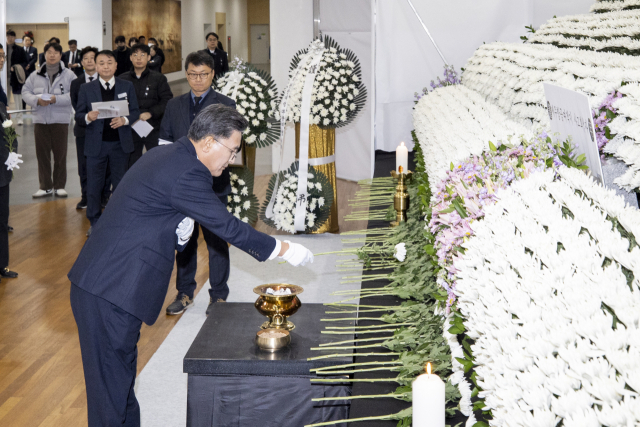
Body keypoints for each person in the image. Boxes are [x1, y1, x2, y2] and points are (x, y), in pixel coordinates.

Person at [69, 103, 313, 427]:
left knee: (120, 382)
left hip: (110, 284)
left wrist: (178, 231)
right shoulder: (188, 170)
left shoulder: (170, 155)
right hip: (110, 289)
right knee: (109, 396)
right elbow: (225, 226)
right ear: (210, 142)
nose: (231, 161)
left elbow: (149, 217)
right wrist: (281, 248)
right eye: (232, 151)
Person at [159, 52, 234, 316]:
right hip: (182, 186)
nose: (197, 80)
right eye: (192, 74)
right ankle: (185, 292)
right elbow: (165, 143)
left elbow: (229, 145)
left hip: (214, 185)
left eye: (203, 74)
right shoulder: (174, 105)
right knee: (185, 241)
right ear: (186, 73)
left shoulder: (226, 105)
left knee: (216, 241)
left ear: (212, 74)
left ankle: (219, 296)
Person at [75, 50, 140, 237]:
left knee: (120, 185)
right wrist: (87, 116)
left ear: (116, 65)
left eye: (109, 63)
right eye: (101, 63)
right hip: (96, 145)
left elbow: (134, 111)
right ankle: (94, 221)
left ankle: (119, 220)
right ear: (95, 66)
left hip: (120, 145)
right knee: (94, 185)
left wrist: (125, 121)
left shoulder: (126, 86)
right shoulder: (87, 89)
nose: (105, 66)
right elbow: (78, 115)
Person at [22, 42, 76, 198]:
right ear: (44, 55)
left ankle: (59, 186)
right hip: (41, 120)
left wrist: (55, 99)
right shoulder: (35, 74)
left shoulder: (69, 75)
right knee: (42, 154)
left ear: (60, 55)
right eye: (49, 52)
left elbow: (74, 94)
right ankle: (45, 186)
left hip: (60, 120)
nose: (52, 55)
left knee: (60, 154)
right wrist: (36, 101)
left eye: (55, 52)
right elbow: (26, 92)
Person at [70, 46, 111, 210]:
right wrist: (88, 116)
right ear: (81, 62)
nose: (89, 61)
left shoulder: (106, 80)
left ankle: (104, 196)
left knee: (105, 163)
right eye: (85, 58)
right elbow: (76, 104)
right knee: (84, 165)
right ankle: (85, 196)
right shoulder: (76, 82)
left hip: (105, 129)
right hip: (84, 129)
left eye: (92, 58)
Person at [119, 44, 172, 167]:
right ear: (130, 58)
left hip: (153, 126)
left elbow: (167, 100)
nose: (139, 58)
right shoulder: (122, 79)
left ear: (149, 57)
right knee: (131, 163)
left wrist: (151, 113)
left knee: (157, 161)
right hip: (130, 127)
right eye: (135, 55)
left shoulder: (159, 78)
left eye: (142, 55)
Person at [0, 45, 18, 280]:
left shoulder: (1, 97)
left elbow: (8, 132)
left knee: (2, 219)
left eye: (2, 56)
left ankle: (1, 264)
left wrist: (12, 157)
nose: (1, 60)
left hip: (1, 169)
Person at [5, 30, 28, 125]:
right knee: (5, 99)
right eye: (8, 36)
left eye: (12, 36)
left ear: (15, 37)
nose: (10, 38)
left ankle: (19, 118)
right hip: (4, 76)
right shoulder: (3, 48)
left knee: (18, 99)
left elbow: (25, 62)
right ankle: (5, 118)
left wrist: (16, 67)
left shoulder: (19, 49)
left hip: (16, 77)